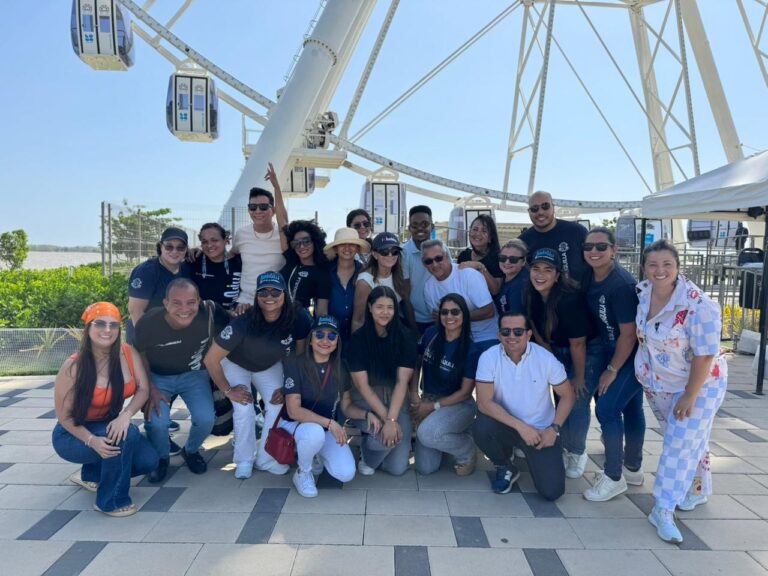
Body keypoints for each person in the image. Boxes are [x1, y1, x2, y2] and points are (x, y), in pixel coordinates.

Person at [635, 240, 728, 544]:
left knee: (677, 446)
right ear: (644, 267)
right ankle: (699, 489)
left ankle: (663, 508)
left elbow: (705, 355)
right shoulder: (643, 293)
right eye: (653, 264)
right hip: (660, 382)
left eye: (667, 264)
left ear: (677, 267)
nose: (659, 270)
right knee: (688, 439)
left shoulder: (698, 304)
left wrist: (690, 394)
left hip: (700, 384)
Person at [53, 302, 158, 517]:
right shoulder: (73, 366)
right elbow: (64, 418)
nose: (107, 330)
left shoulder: (128, 353)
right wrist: (92, 441)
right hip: (73, 434)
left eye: (114, 325)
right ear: (88, 328)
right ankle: (110, 500)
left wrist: (126, 415)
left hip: (108, 425)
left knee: (149, 460)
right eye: (100, 324)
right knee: (127, 436)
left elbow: (143, 389)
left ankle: (92, 474)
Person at [204, 271, 312, 478]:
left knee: (277, 404)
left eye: (275, 291)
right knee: (244, 408)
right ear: (256, 295)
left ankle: (266, 458)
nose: (269, 296)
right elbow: (211, 359)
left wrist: (288, 387)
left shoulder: (297, 317)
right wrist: (228, 390)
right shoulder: (243, 321)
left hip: (268, 366)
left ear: (285, 294)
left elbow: (298, 356)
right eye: (263, 291)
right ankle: (243, 459)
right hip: (237, 364)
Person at [133, 279, 230, 483]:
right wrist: (149, 387)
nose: (185, 309)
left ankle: (191, 450)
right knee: (158, 423)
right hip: (158, 377)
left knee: (205, 419)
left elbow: (238, 327)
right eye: (177, 303)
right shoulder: (149, 322)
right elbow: (138, 355)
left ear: (199, 301)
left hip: (194, 374)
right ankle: (161, 458)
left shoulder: (209, 312)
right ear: (166, 303)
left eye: (191, 302)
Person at [473, 312, 574, 499]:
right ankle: (504, 464)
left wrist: (554, 429)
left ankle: (541, 453)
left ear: (528, 334)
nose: (511, 336)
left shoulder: (545, 359)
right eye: (506, 331)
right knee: (481, 426)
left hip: (540, 431)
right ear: (498, 335)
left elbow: (568, 396)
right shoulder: (488, 357)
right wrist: (521, 427)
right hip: (507, 426)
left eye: (518, 332)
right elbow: (484, 403)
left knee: (552, 492)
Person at [580, 227, 646, 502]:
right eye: (588, 247)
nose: (594, 252)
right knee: (631, 407)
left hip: (630, 356)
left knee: (607, 409)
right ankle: (632, 467)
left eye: (601, 247)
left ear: (614, 250)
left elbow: (628, 334)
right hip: (610, 350)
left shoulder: (620, 284)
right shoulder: (592, 277)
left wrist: (612, 370)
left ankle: (614, 476)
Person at [526, 247, 600, 479]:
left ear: (557, 275)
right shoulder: (532, 293)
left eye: (548, 270)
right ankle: (566, 446)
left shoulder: (568, 299)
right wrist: (551, 360)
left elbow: (578, 344)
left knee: (577, 400)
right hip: (557, 348)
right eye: (536, 268)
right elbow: (537, 329)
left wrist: (578, 376)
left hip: (585, 351)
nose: (540, 274)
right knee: (561, 399)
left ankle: (577, 451)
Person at [346, 286, 418, 476]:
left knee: (397, 468)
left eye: (390, 307)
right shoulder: (358, 339)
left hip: (395, 394)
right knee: (383, 438)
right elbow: (362, 386)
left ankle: (373, 445)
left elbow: (402, 382)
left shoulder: (406, 337)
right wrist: (388, 421)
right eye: (379, 307)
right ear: (369, 307)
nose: (385, 312)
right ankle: (368, 453)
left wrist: (392, 420)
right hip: (367, 397)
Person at [281, 315, 356, 497]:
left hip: (324, 428)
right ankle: (303, 472)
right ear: (311, 339)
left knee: (345, 473)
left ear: (337, 342)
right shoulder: (295, 363)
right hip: (295, 425)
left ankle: (315, 453)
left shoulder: (340, 366)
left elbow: (346, 406)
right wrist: (330, 424)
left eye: (331, 336)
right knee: (314, 433)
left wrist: (368, 415)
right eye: (319, 334)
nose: (325, 340)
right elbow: (293, 410)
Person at [409, 294, 477, 476]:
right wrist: (414, 393)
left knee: (427, 434)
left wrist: (432, 407)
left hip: (458, 404)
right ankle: (447, 436)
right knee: (425, 468)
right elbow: (416, 363)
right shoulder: (431, 333)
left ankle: (467, 449)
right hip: (429, 399)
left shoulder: (471, 348)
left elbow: (465, 392)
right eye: (444, 312)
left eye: (455, 312)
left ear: (464, 315)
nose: (449, 316)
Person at [230, 163, 289, 314]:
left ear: (273, 210)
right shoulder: (241, 234)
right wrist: (199, 249)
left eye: (263, 207)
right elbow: (230, 254)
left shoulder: (283, 236)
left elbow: (284, 220)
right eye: (252, 207)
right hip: (246, 301)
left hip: (275, 300)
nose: (258, 211)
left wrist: (276, 188)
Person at [421, 239, 498, 348]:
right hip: (456, 339)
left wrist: (457, 316)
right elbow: (439, 320)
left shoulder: (468, 275)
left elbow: (489, 311)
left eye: (439, 258)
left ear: (447, 256)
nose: (434, 264)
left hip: (484, 337)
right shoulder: (428, 287)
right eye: (428, 261)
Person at [127, 226, 191, 344]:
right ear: (160, 246)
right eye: (169, 246)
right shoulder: (146, 271)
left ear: (186, 249)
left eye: (180, 248)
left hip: (174, 336)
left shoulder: (186, 269)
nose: (174, 251)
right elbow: (135, 311)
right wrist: (150, 341)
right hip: (147, 337)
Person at [352, 232, 416, 332]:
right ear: (375, 254)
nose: (390, 255)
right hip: (372, 336)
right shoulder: (365, 281)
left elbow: (405, 304)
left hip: (394, 334)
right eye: (385, 251)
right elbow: (358, 319)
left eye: (394, 251)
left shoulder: (398, 275)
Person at [519, 191, 587, 282]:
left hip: (579, 294)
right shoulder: (522, 242)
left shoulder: (577, 231)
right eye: (534, 208)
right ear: (529, 211)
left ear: (553, 207)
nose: (540, 212)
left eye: (545, 206)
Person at [324, 228, 370, 343]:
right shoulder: (325, 272)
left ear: (357, 248)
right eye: (342, 244)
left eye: (352, 245)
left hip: (356, 337)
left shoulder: (365, 273)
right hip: (328, 338)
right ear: (335, 248)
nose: (347, 248)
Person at [402, 205, 440, 334]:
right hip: (412, 320)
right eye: (415, 225)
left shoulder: (443, 250)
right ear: (409, 228)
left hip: (440, 318)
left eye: (424, 224)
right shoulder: (404, 253)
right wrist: (414, 330)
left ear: (432, 226)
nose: (420, 229)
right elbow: (405, 295)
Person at [279, 220, 331, 315]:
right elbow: (282, 226)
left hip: (300, 323)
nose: (301, 246)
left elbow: (322, 311)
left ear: (315, 242)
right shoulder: (291, 261)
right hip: (275, 318)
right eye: (296, 243)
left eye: (306, 241)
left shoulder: (322, 274)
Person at [192, 222, 242, 311]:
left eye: (214, 240)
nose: (209, 245)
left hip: (234, 318)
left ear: (225, 240)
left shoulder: (240, 262)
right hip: (203, 319)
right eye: (204, 241)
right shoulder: (194, 260)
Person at [457, 214, 505, 295]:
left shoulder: (497, 257)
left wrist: (479, 267)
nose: (478, 234)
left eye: (484, 231)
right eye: (475, 229)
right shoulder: (463, 255)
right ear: (469, 232)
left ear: (490, 238)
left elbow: (495, 290)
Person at [495, 239, 529, 315]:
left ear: (523, 261)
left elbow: (516, 320)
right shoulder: (508, 277)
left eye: (513, 259)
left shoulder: (520, 286)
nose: (507, 262)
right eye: (503, 258)